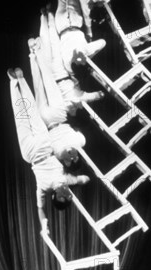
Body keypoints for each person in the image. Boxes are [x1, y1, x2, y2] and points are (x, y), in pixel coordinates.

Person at [7, 67, 90, 224]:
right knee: (31, 111)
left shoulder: (44, 189)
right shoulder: (66, 180)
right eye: (67, 196)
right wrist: (82, 180)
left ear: (55, 196)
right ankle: (20, 79)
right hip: (45, 145)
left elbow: (40, 209)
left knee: (20, 117)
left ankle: (12, 83)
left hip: (30, 153)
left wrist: (44, 224)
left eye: (61, 196)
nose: (64, 193)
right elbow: (83, 179)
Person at [37, 7, 104, 109]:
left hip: (60, 72)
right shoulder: (68, 101)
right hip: (55, 75)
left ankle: (47, 15)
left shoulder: (74, 99)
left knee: (52, 42)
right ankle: (45, 16)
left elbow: (89, 96)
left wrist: (99, 95)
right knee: (49, 41)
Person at [55, 0, 106, 77]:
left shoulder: (75, 61)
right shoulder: (83, 54)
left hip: (68, 24)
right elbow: (103, 42)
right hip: (66, 25)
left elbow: (102, 43)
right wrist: (88, 55)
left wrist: (88, 54)